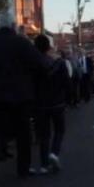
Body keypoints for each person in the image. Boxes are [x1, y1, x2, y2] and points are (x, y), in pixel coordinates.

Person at [0, 22, 51, 185]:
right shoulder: (21, 43)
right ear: (13, 27)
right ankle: (23, 168)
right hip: (20, 97)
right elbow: (41, 64)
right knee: (23, 135)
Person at [34, 35, 71, 172]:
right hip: (57, 102)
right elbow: (67, 82)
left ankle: (44, 165)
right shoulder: (59, 62)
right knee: (59, 130)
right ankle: (54, 153)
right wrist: (68, 98)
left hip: (40, 104)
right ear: (49, 47)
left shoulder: (33, 64)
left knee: (44, 134)